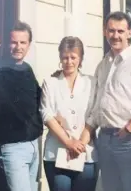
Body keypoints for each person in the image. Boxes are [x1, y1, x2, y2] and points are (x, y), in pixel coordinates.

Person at [80, 11, 131, 191]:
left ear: (129, 33)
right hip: (105, 140)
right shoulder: (103, 64)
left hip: (130, 141)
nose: (115, 35)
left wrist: (129, 128)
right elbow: (97, 104)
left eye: (120, 31)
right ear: (105, 32)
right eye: (111, 31)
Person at [0, 22, 43, 191]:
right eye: (14, 42)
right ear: (6, 43)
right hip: (12, 148)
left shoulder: (27, 69)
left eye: (23, 42)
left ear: (29, 45)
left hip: (33, 146)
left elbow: (38, 99)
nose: (18, 47)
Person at [41, 36, 99, 191]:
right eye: (65, 57)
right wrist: (69, 143)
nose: (69, 61)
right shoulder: (50, 82)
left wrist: (79, 145)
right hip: (56, 153)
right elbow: (46, 114)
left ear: (80, 59)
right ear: (60, 58)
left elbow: (94, 114)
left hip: (86, 154)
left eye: (73, 57)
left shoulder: (91, 82)